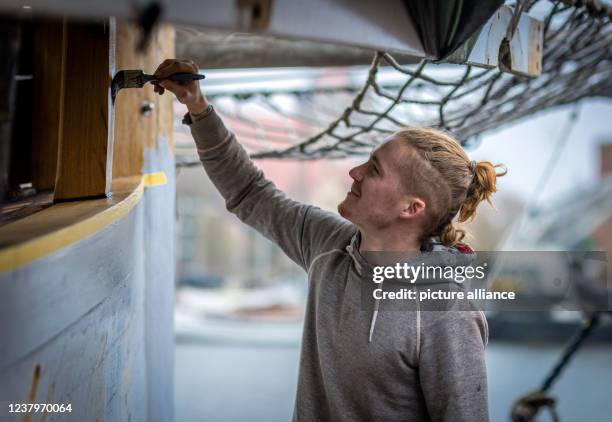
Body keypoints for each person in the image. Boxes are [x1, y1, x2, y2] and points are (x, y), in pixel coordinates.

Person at [154, 59, 507, 422]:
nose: (354, 173)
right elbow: (249, 191)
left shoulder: (446, 312)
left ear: (411, 207)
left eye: (374, 170)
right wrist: (197, 107)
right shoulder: (328, 245)